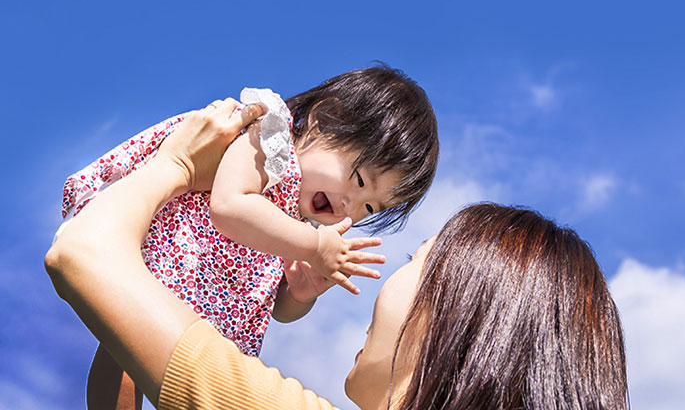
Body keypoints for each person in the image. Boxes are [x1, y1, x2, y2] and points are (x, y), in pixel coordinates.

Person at [46, 100, 629, 409]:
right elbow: (234, 217)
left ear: (458, 323)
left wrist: (173, 166)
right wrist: (298, 282)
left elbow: (82, 253)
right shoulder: (274, 155)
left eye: (412, 264)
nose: (351, 210)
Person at [59, 66, 439, 408]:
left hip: (206, 309)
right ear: (326, 119)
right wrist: (316, 245)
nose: (349, 207)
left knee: (177, 373)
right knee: (124, 345)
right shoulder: (271, 139)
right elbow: (229, 207)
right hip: (180, 260)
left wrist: (300, 294)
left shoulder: (295, 221)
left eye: (369, 209)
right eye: (358, 181)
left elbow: (274, 307)